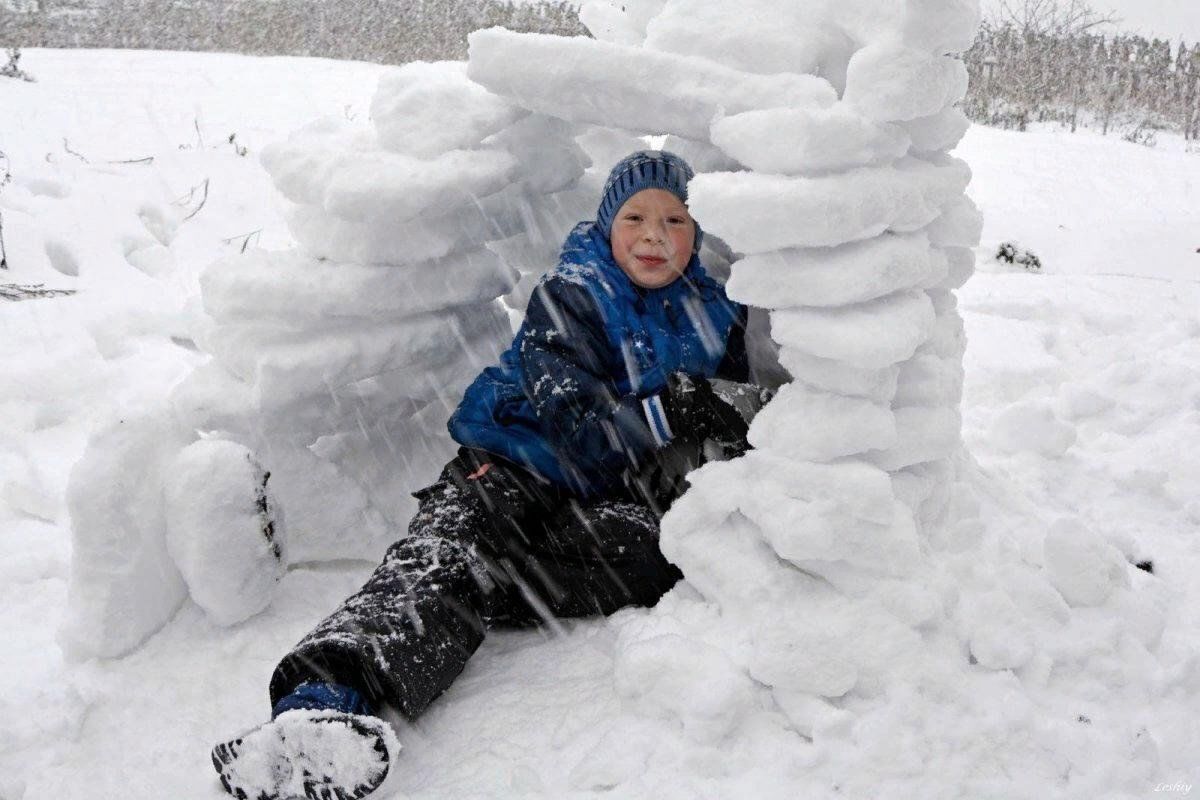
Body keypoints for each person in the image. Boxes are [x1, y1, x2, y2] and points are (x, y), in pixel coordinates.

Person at [211, 150, 768, 800]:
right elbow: (582, 429)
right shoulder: (572, 295)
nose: (653, 236)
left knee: (666, 556)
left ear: (696, 233)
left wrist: (715, 420)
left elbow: (722, 433)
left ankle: (481, 587)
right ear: (608, 224)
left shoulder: (713, 312)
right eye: (635, 216)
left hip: (603, 500)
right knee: (446, 554)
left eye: (674, 220)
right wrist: (674, 403)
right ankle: (319, 704)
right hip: (509, 463)